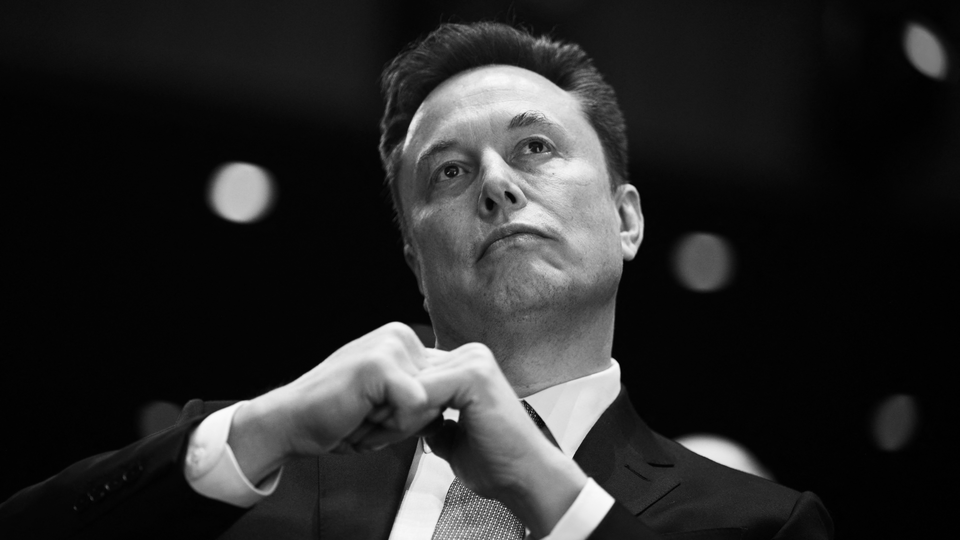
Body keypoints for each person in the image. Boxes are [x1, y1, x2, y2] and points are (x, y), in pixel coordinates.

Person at [0, 22, 833, 540]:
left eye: (535, 147)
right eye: (449, 172)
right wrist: (264, 425)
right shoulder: (268, 466)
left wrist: (551, 495)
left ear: (627, 219)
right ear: (414, 261)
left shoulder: (761, 523)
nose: (497, 184)